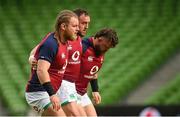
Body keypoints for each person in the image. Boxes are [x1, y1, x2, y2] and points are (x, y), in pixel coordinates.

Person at [25, 10, 79, 116]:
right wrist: (52, 94)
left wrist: (31, 57)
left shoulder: (63, 40)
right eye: (74, 26)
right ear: (63, 26)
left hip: (50, 91)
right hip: (39, 93)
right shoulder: (51, 44)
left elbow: (36, 50)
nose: (77, 29)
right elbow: (41, 70)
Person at [76, 28, 119, 116]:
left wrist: (95, 90)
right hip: (71, 92)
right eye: (106, 47)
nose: (106, 50)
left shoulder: (100, 52)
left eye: (109, 48)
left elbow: (93, 71)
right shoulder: (82, 46)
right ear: (99, 39)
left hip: (82, 93)